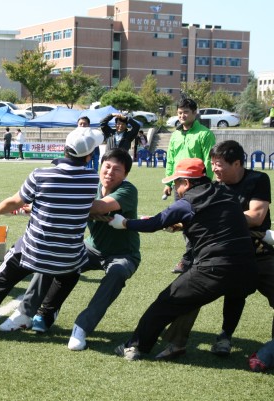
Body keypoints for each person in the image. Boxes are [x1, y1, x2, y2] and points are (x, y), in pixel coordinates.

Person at [0, 127, 104, 339]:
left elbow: (14, 202)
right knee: (71, 273)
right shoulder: (92, 179)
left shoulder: (40, 174)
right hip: (68, 256)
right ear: (89, 156)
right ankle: (43, 318)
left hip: (33, 251)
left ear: (64, 149)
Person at [110, 158, 258, 360]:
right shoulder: (226, 193)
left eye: (176, 183)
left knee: (166, 301)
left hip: (215, 268)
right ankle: (207, 341)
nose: (175, 188)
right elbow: (216, 222)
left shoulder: (187, 202)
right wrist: (182, 225)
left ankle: (134, 347)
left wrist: (125, 223)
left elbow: (154, 223)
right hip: (248, 269)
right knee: (206, 299)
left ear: (186, 183)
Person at [0, 149, 141, 352]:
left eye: (117, 169)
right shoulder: (91, 185)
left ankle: (82, 327)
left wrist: (52, 201)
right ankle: (27, 313)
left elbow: (100, 207)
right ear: (100, 166)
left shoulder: (128, 190)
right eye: (107, 166)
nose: (110, 172)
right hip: (92, 248)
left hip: (123, 254)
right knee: (55, 252)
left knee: (116, 274)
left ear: (125, 174)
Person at [154, 140, 274, 360]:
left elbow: (257, 217)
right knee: (190, 290)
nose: (215, 169)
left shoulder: (258, 180)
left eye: (219, 164)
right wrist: (181, 223)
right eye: (212, 164)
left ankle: (257, 346)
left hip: (257, 252)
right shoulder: (214, 187)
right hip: (220, 254)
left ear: (237, 163)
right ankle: (176, 343)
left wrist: (219, 217)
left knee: (240, 293)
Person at [164, 98, 216, 273]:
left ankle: (189, 260)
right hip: (179, 186)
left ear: (195, 113)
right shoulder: (175, 135)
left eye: (186, 112)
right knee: (184, 224)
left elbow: (209, 161)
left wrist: (205, 184)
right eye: (180, 112)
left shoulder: (205, 134)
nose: (182, 115)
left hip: (197, 186)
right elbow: (170, 159)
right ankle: (195, 257)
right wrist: (169, 182)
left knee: (196, 224)